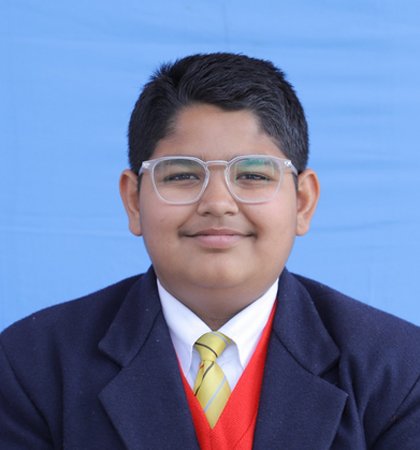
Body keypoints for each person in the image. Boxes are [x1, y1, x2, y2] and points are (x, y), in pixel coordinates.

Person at [1, 53, 419, 450]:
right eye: (182, 175)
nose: (218, 203)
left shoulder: (398, 369)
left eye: (253, 175)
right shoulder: (32, 364)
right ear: (133, 201)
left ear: (303, 202)